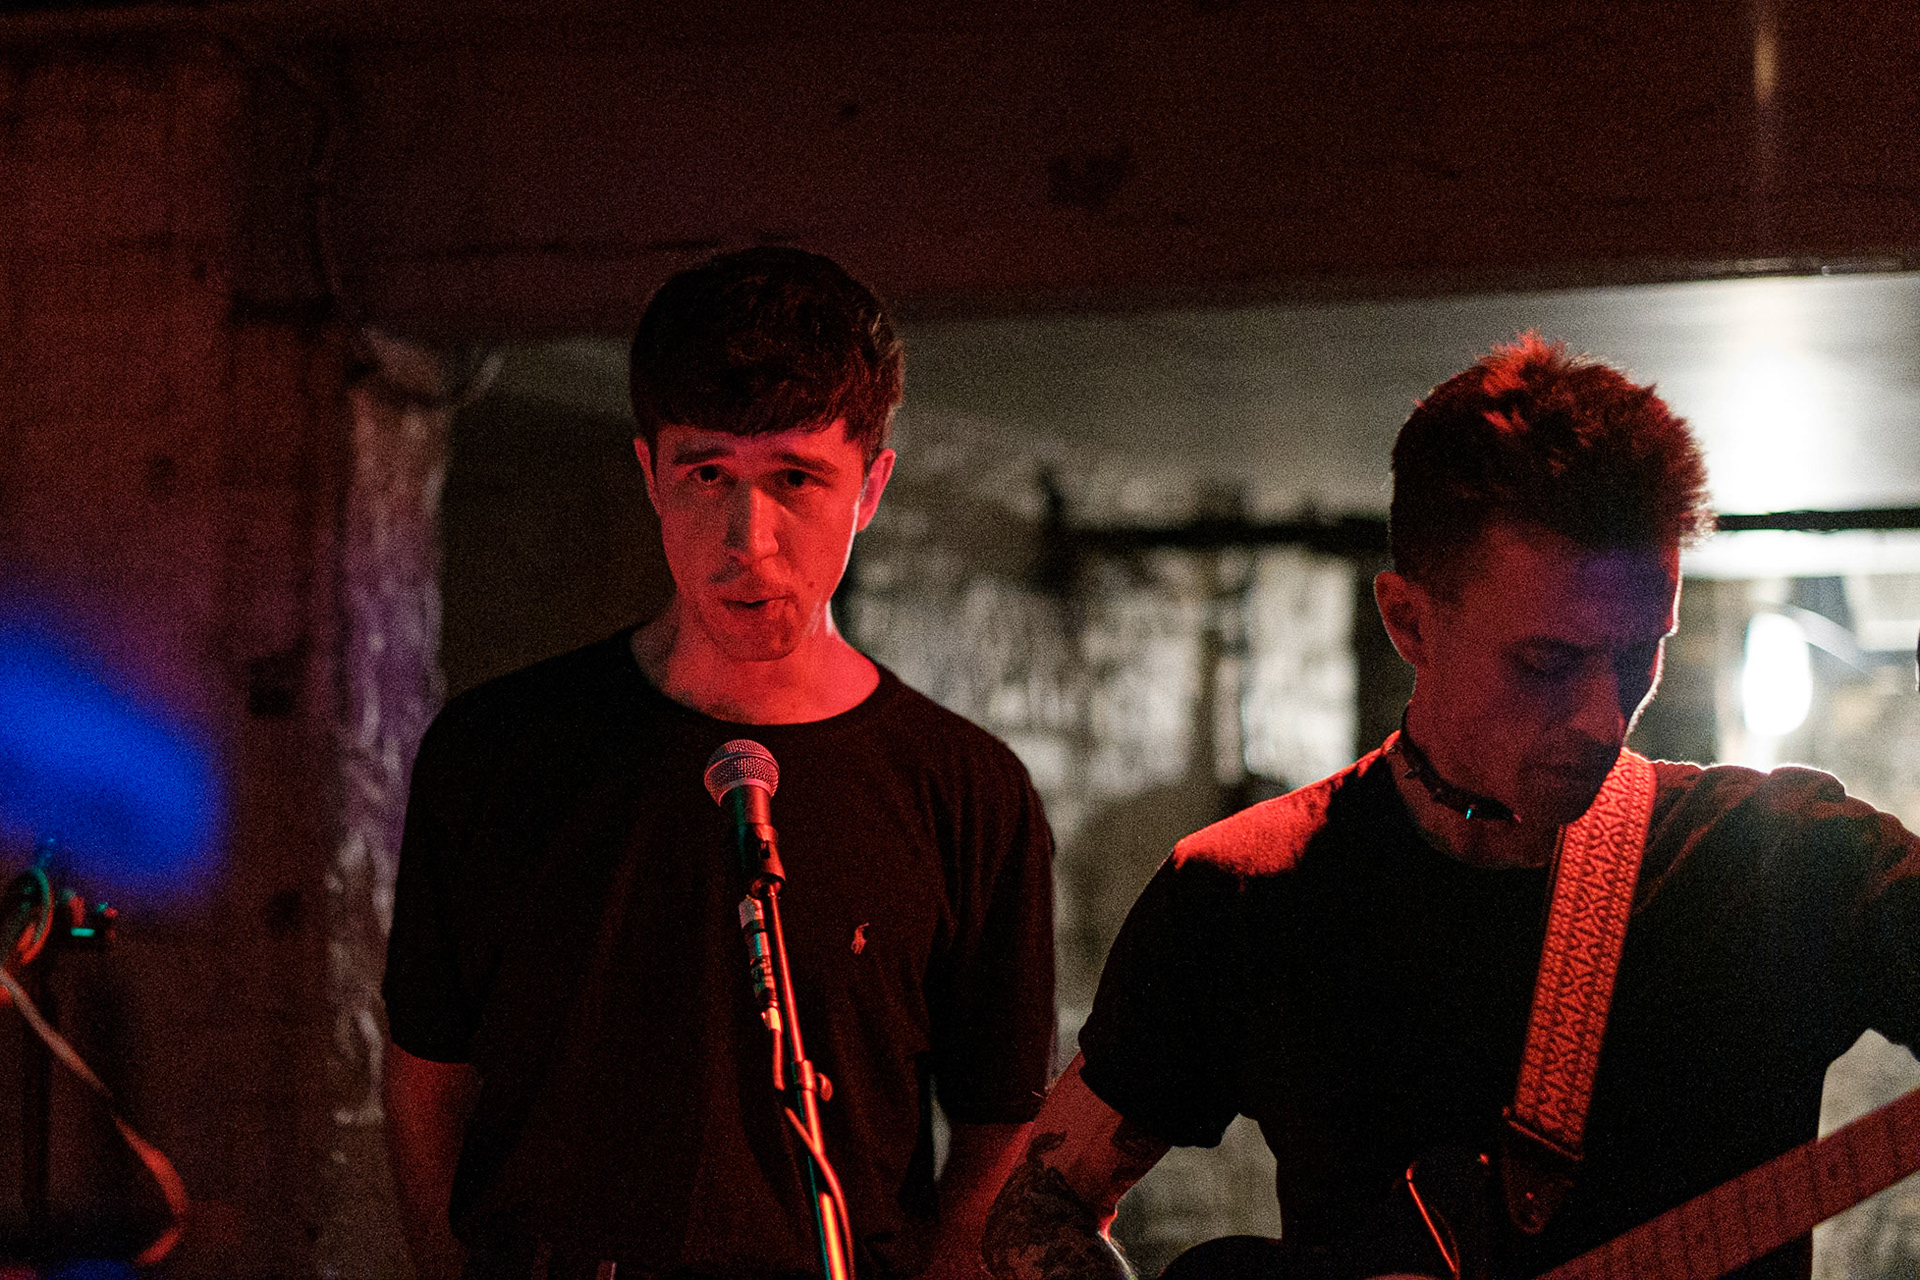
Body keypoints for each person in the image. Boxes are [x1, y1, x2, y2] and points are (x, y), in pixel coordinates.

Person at [979, 334, 1920, 1280]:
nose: (1605, 717)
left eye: (1640, 653)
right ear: (1408, 621)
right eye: (1547, 663)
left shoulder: (1780, 863)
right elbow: (1037, 1208)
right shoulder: (1242, 892)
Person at [383, 247, 1056, 1280]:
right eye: (708, 474)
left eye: (795, 478)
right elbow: (432, 1072)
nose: (750, 537)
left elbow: (999, 1126)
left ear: (870, 487)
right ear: (650, 472)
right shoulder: (496, 752)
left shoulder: (965, 790)